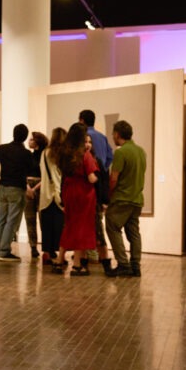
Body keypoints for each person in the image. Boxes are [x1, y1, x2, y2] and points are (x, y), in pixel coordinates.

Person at [52, 123, 99, 276]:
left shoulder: (64, 153)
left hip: (68, 190)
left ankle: (59, 261)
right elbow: (92, 178)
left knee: (69, 226)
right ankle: (77, 265)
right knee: (82, 228)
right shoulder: (85, 155)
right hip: (83, 193)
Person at [104, 120, 146, 277]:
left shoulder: (121, 152)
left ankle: (123, 264)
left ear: (117, 134)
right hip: (137, 199)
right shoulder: (141, 151)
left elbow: (114, 178)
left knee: (112, 226)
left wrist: (108, 196)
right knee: (133, 232)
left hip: (122, 198)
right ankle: (136, 266)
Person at [0, 124, 32, 262]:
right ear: (24, 137)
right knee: (12, 221)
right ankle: (4, 251)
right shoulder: (26, 154)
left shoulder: (2, 149)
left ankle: (0, 248)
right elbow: (31, 172)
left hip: (3, 189)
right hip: (17, 189)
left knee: (1, 219)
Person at [78, 110, 113, 272]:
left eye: (89, 142)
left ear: (81, 120)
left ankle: (105, 263)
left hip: (93, 199)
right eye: (85, 141)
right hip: (86, 198)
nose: (88, 144)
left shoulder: (91, 159)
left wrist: (99, 172)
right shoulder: (102, 138)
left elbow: (98, 179)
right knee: (85, 232)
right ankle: (84, 263)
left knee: (98, 232)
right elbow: (110, 158)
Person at [38, 127, 66, 266]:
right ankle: (58, 256)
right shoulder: (60, 154)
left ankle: (47, 253)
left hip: (45, 195)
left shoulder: (44, 153)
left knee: (46, 226)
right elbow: (57, 177)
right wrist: (60, 194)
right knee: (58, 226)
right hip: (57, 194)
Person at [23, 131, 48, 259]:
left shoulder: (45, 156)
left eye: (32, 139)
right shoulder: (28, 155)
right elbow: (22, 173)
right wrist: (27, 187)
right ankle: (33, 246)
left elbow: (46, 176)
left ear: (38, 141)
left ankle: (47, 247)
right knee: (30, 218)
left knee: (43, 218)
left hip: (41, 186)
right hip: (28, 186)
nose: (29, 141)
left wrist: (34, 188)